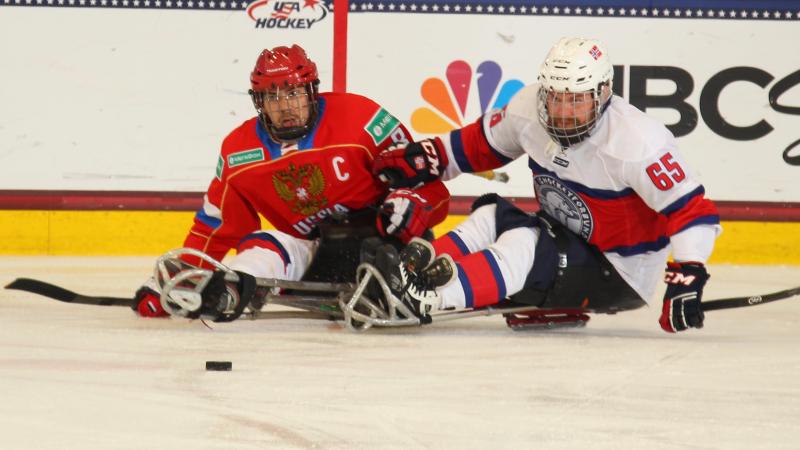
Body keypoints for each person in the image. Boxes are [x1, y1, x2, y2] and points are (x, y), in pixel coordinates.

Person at [368, 37, 721, 333]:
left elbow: (692, 210)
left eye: (576, 99)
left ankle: (424, 298)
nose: (563, 112)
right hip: (565, 239)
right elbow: (480, 144)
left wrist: (688, 273)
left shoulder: (638, 142)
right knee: (491, 215)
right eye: (556, 97)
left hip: (619, 270)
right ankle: (410, 275)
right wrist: (429, 158)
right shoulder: (528, 108)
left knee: (523, 241)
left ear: (603, 93)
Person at [133, 44, 450, 318]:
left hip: (385, 246)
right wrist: (177, 281)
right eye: (272, 96)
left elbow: (429, 186)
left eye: (294, 92)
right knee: (259, 246)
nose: (285, 106)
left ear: (311, 91)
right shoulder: (238, 152)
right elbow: (213, 226)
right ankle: (230, 290)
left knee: (391, 247)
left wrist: (413, 206)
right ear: (259, 102)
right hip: (314, 255)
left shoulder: (361, 117)